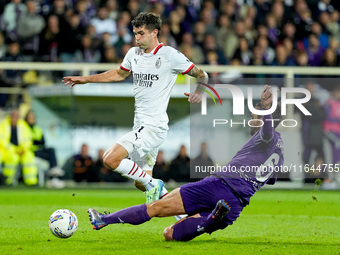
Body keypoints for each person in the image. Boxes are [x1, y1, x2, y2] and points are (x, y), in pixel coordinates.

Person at [86, 85, 284, 241]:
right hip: (235, 206)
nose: (251, 119)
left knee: (155, 207)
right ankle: (210, 219)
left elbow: (266, 132)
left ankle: (104, 220)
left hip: (217, 186)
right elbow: (269, 179)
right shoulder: (279, 152)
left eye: (255, 116)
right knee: (168, 234)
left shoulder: (266, 137)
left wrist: (266, 109)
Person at [62, 12, 207, 203]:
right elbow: (119, 74)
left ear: (154, 33)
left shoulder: (170, 55)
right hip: (140, 125)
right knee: (142, 183)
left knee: (110, 159)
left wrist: (200, 91)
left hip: (153, 126)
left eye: (141, 33)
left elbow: (202, 74)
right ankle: (184, 215)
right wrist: (86, 79)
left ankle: (156, 185)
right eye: (135, 34)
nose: (137, 38)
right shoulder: (133, 54)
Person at [0, 109, 38, 185]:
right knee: (12, 158)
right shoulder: (3, 125)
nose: (15, 117)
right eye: (13, 115)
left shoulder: (23, 125)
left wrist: (23, 149)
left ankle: (31, 181)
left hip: (22, 150)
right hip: (7, 150)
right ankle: (8, 181)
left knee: (29, 157)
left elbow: (28, 140)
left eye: (17, 116)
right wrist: (13, 149)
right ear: (10, 116)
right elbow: (2, 140)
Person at [24, 110, 64, 177]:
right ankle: (53, 174)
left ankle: (54, 171)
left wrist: (35, 142)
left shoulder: (37, 129)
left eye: (33, 117)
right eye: (30, 117)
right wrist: (36, 142)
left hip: (39, 150)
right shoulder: (23, 128)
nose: (32, 119)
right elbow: (27, 141)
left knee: (51, 151)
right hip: (30, 151)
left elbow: (42, 142)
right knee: (51, 158)